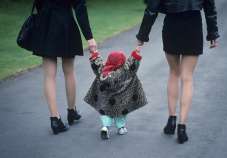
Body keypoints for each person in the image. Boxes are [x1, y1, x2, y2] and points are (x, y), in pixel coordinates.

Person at [136, 0, 219, 143]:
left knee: (174, 73)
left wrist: (143, 35)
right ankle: (182, 127)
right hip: (193, 25)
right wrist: (213, 33)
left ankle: (171, 120)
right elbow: (210, 7)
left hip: (172, 25)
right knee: (187, 78)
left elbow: (152, 8)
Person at [33, 0, 97, 134]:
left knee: (49, 75)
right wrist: (89, 38)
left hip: (46, 24)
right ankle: (71, 111)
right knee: (69, 71)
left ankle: (55, 119)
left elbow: (38, 3)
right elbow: (80, 8)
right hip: (65, 24)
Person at [84, 50, 147, 140]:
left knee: (105, 113)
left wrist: (94, 54)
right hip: (120, 101)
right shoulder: (125, 73)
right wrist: (136, 52)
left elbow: (96, 65)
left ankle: (105, 127)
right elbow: (132, 65)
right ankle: (121, 128)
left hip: (105, 101)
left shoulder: (102, 72)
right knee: (120, 113)